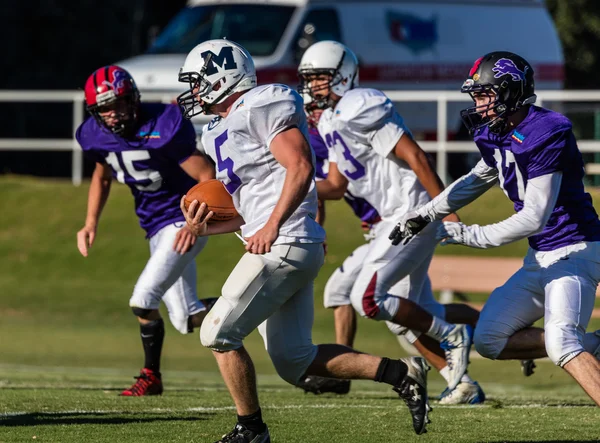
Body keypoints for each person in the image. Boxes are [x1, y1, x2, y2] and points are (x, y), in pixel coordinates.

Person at [178, 39, 431, 441]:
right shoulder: (216, 131)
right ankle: (402, 373)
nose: (192, 91)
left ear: (222, 78)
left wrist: (274, 226)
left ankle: (251, 429)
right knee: (295, 361)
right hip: (280, 241)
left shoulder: (259, 105)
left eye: (198, 81)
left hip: (286, 240)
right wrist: (201, 226)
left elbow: (299, 165)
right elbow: (247, 209)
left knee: (216, 333)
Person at [390, 51, 600, 406]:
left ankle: (574, 347)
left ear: (511, 91)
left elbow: (535, 216)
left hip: (575, 251)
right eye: (476, 96)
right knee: (489, 340)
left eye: (485, 95)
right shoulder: (495, 133)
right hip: (540, 257)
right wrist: (425, 213)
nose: (479, 104)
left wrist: (468, 234)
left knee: (562, 343)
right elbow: (476, 179)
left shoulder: (547, 131)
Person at [298, 40, 480, 397]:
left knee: (366, 299)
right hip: (392, 221)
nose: (313, 86)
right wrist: (285, 186)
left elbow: (416, 156)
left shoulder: (357, 105)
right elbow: (335, 186)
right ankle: (462, 384)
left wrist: (447, 209)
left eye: (320, 78)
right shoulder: (332, 120)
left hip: (411, 213)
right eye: (310, 79)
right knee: (408, 315)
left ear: (342, 76)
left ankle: (454, 334)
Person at [76, 65, 217, 396]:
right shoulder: (96, 135)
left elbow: (207, 175)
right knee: (186, 317)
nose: (112, 114)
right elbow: (101, 175)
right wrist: (90, 223)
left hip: (183, 219)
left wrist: (195, 226)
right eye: (104, 108)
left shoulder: (162, 125)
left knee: (142, 300)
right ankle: (258, 307)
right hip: (154, 225)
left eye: (118, 104)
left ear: (133, 98)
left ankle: (150, 376)